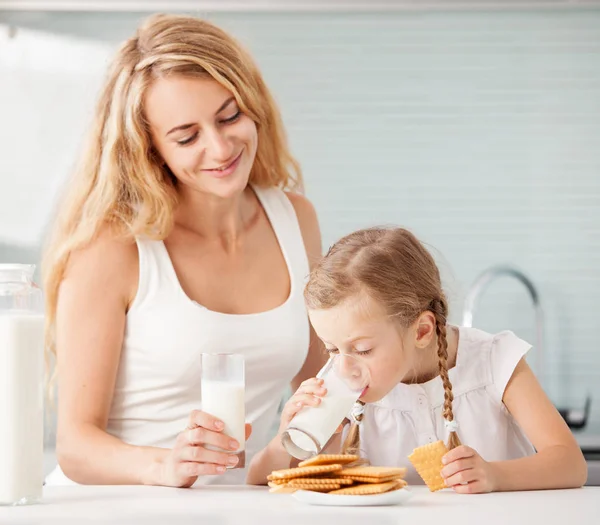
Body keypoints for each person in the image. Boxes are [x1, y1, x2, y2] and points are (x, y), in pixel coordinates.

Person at [42, 13, 325, 488]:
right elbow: (75, 445)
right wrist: (165, 465)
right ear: (150, 150)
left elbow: (321, 392)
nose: (219, 149)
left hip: (238, 508)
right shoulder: (113, 248)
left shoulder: (295, 220)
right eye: (187, 136)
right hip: (115, 508)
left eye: (229, 115)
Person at [248, 227, 588, 493]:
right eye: (332, 349)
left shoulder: (495, 361)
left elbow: (571, 464)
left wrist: (495, 475)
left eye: (363, 349)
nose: (344, 367)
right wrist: (285, 439)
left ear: (422, 331)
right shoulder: (342, 385)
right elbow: (261, 479)